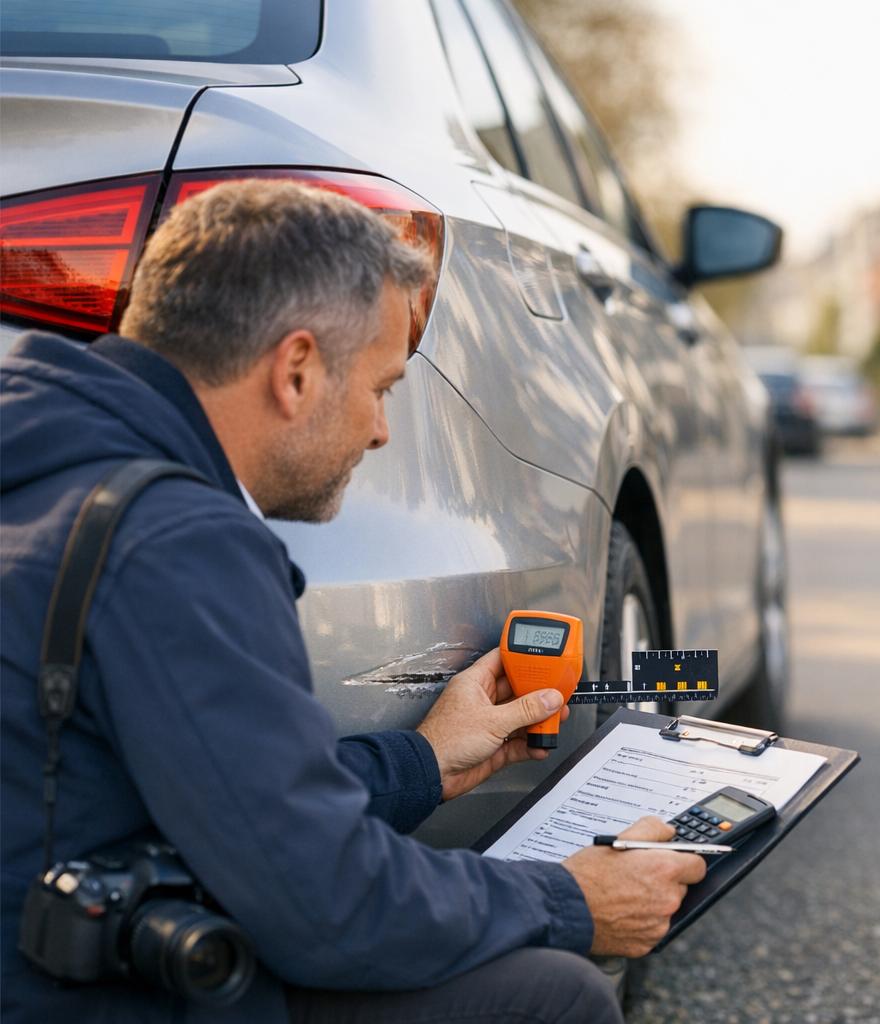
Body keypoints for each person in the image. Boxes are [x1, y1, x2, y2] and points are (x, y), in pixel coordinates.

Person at [0, 180, 705, 1023]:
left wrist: (426, 761)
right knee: (553, 999)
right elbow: (328, 907)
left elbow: (236, 797)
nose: (379, 432)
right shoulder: (175, 542)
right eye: (382, 389)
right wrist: (570, 901)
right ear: (296, 370)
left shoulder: (52, 465)